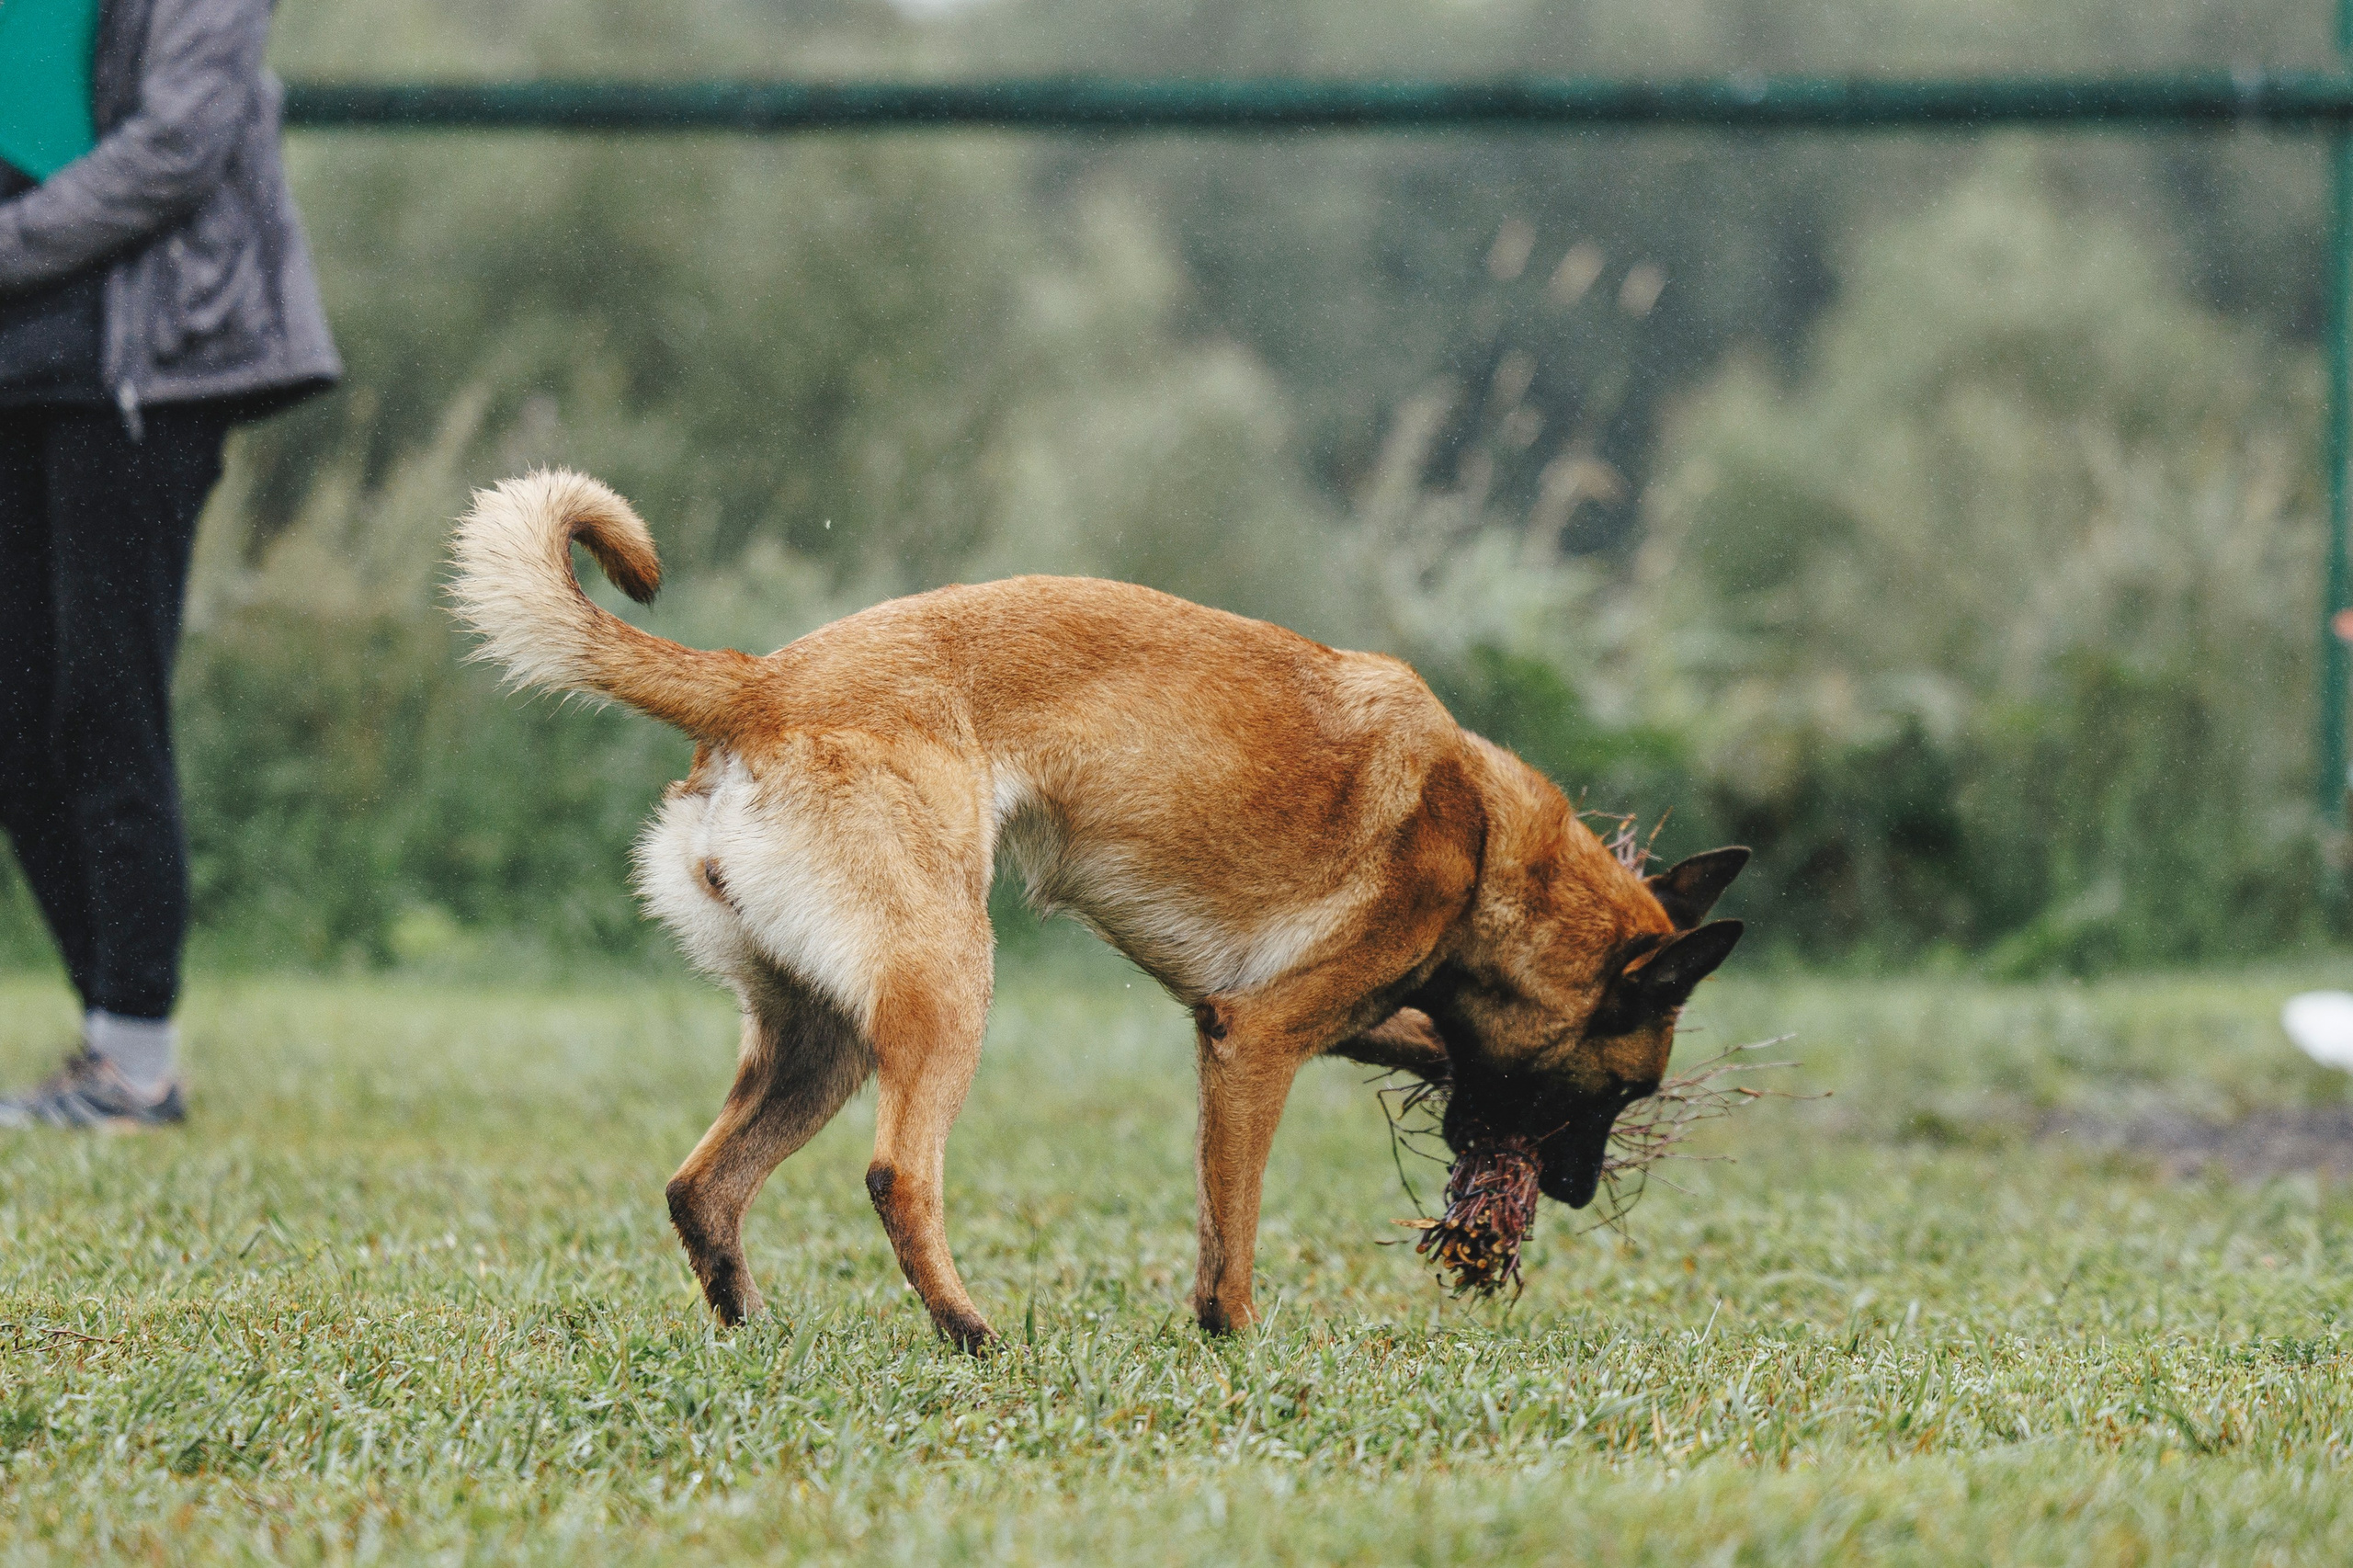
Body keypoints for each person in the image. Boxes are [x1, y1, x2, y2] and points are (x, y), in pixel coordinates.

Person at [0, 0, 338, 1128]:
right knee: (16, 713)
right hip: (18, 369)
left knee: (107, 701)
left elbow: (176, 149)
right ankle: (110, 1042)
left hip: (144, 369)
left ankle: (136, 1062)